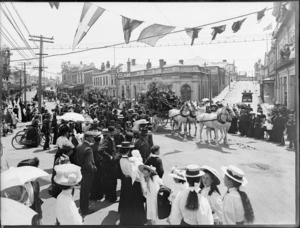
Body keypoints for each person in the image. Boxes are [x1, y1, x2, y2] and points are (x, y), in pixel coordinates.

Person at [118, 142, 146, 225]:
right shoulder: (128, 161)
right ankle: (136, 220)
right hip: (132, 182)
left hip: (126, 181)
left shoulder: (121, 159)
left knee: (127, 201)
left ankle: (126, 218)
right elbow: (133, 175)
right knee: (135, 202)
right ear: (128, 151)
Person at [76, 131, 97, 216]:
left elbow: (76, 159)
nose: (93, 138)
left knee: (83, 191)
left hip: (81, 171)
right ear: (87, 137)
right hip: (87, 173)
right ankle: (85, 209)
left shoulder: (79, 145)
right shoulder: (88, 148)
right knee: (86, 191)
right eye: (92, 137)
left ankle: (82, 208)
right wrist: (94, 169)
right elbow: (89, 163)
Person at [99, 126, 119, 202]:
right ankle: (111, 197)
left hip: (111, 163)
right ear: (111, 132)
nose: (115, 132)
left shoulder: (111, 139)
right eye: (114, 131)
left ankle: (109, 196)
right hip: (109, 164)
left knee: (110, 180)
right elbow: (100, 150)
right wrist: (109, 157)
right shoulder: (106, 140)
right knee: (112, 181)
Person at [89, 131, 105, 201]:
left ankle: (93, 195)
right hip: (100, 165)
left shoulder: (91, 146)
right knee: (100, 180)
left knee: (93, 180)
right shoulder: (101, 146)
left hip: (93, 164)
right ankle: (99, 195)